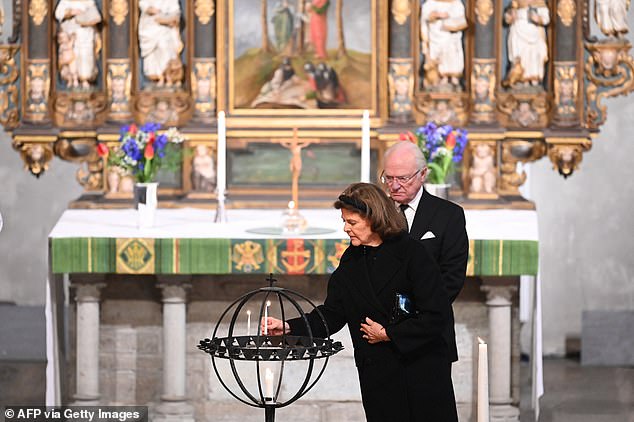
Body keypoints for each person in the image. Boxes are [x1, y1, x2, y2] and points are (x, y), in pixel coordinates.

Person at [264, 183, 458, 422]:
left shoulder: (412, 253)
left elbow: (437, 315)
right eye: (344, 221)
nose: (346, 229)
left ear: (374, 219)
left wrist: (389, 334)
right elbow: (333, 312)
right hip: (379, 375)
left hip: (422, 372)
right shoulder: (352, 259)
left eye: (352, 223)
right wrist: (289, 327)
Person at [382, 141, 468, 364]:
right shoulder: (376, 215)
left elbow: (452, 276)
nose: (394, 185)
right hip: (382, 334)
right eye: (389, 178)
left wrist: (414, 317)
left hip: (430, 334)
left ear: (423, 175)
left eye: (402, 178)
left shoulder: (448, 215)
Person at [420, 0, 467, 88]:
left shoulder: (456, 3)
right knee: (439, 57)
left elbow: (460, 16)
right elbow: (425, 16)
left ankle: (454, 79)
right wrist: (434, 15)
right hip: (435, 36)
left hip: (451, 35)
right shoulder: (431, 3)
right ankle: (441, 78)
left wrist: (448, 16)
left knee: (452, 53)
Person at [55, 0, 102, 89]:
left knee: (85, 56)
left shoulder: (89, 1)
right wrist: (70, 12)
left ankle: (85, 79)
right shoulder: (66, 1)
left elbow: (94, 14)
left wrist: (89, 18)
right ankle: (73, 79)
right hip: (72, 32)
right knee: (73, 58)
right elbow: (58, 13)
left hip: (86, 34)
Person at [503, 0, 550, 87]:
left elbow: (546, 18)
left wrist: (537, 18)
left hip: (534, 30)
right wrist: (511, 17)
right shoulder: (516, 2)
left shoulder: (539, 2)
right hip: (519, 30)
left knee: (535, 53)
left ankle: (534, 79)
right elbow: (507, 16)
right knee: (520, 53)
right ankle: (522, 79)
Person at [138, 0, 183, 86]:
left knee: (164, 46)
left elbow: (176, 12)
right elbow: (143, 4)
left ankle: (167, 75)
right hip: (150, 26)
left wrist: (167, 19)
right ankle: (158, 75)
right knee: (152, 54)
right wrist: (149, 9)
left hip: (165, 27)